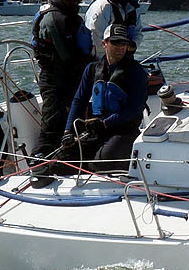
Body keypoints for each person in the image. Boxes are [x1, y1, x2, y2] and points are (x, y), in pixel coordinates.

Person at [58, 22, 149, 177]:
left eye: (124, 43)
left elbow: (134, 109)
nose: (120, 47)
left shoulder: (136, 72)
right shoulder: (92, 69)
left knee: (101, 162)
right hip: (96, 130)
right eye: (115, 42)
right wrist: (68, 131)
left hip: (124, 131)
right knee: (61, 160)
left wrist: (105, 123)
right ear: (104, 43)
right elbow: (79, 100)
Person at [31, 0, 91, 160]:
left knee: (73, 123)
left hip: (69, 78)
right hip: (57, 80)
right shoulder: (56, 19)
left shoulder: (69, 16)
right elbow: (68, 57)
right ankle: (39, 162)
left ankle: (68, 159)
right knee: (53, 124)